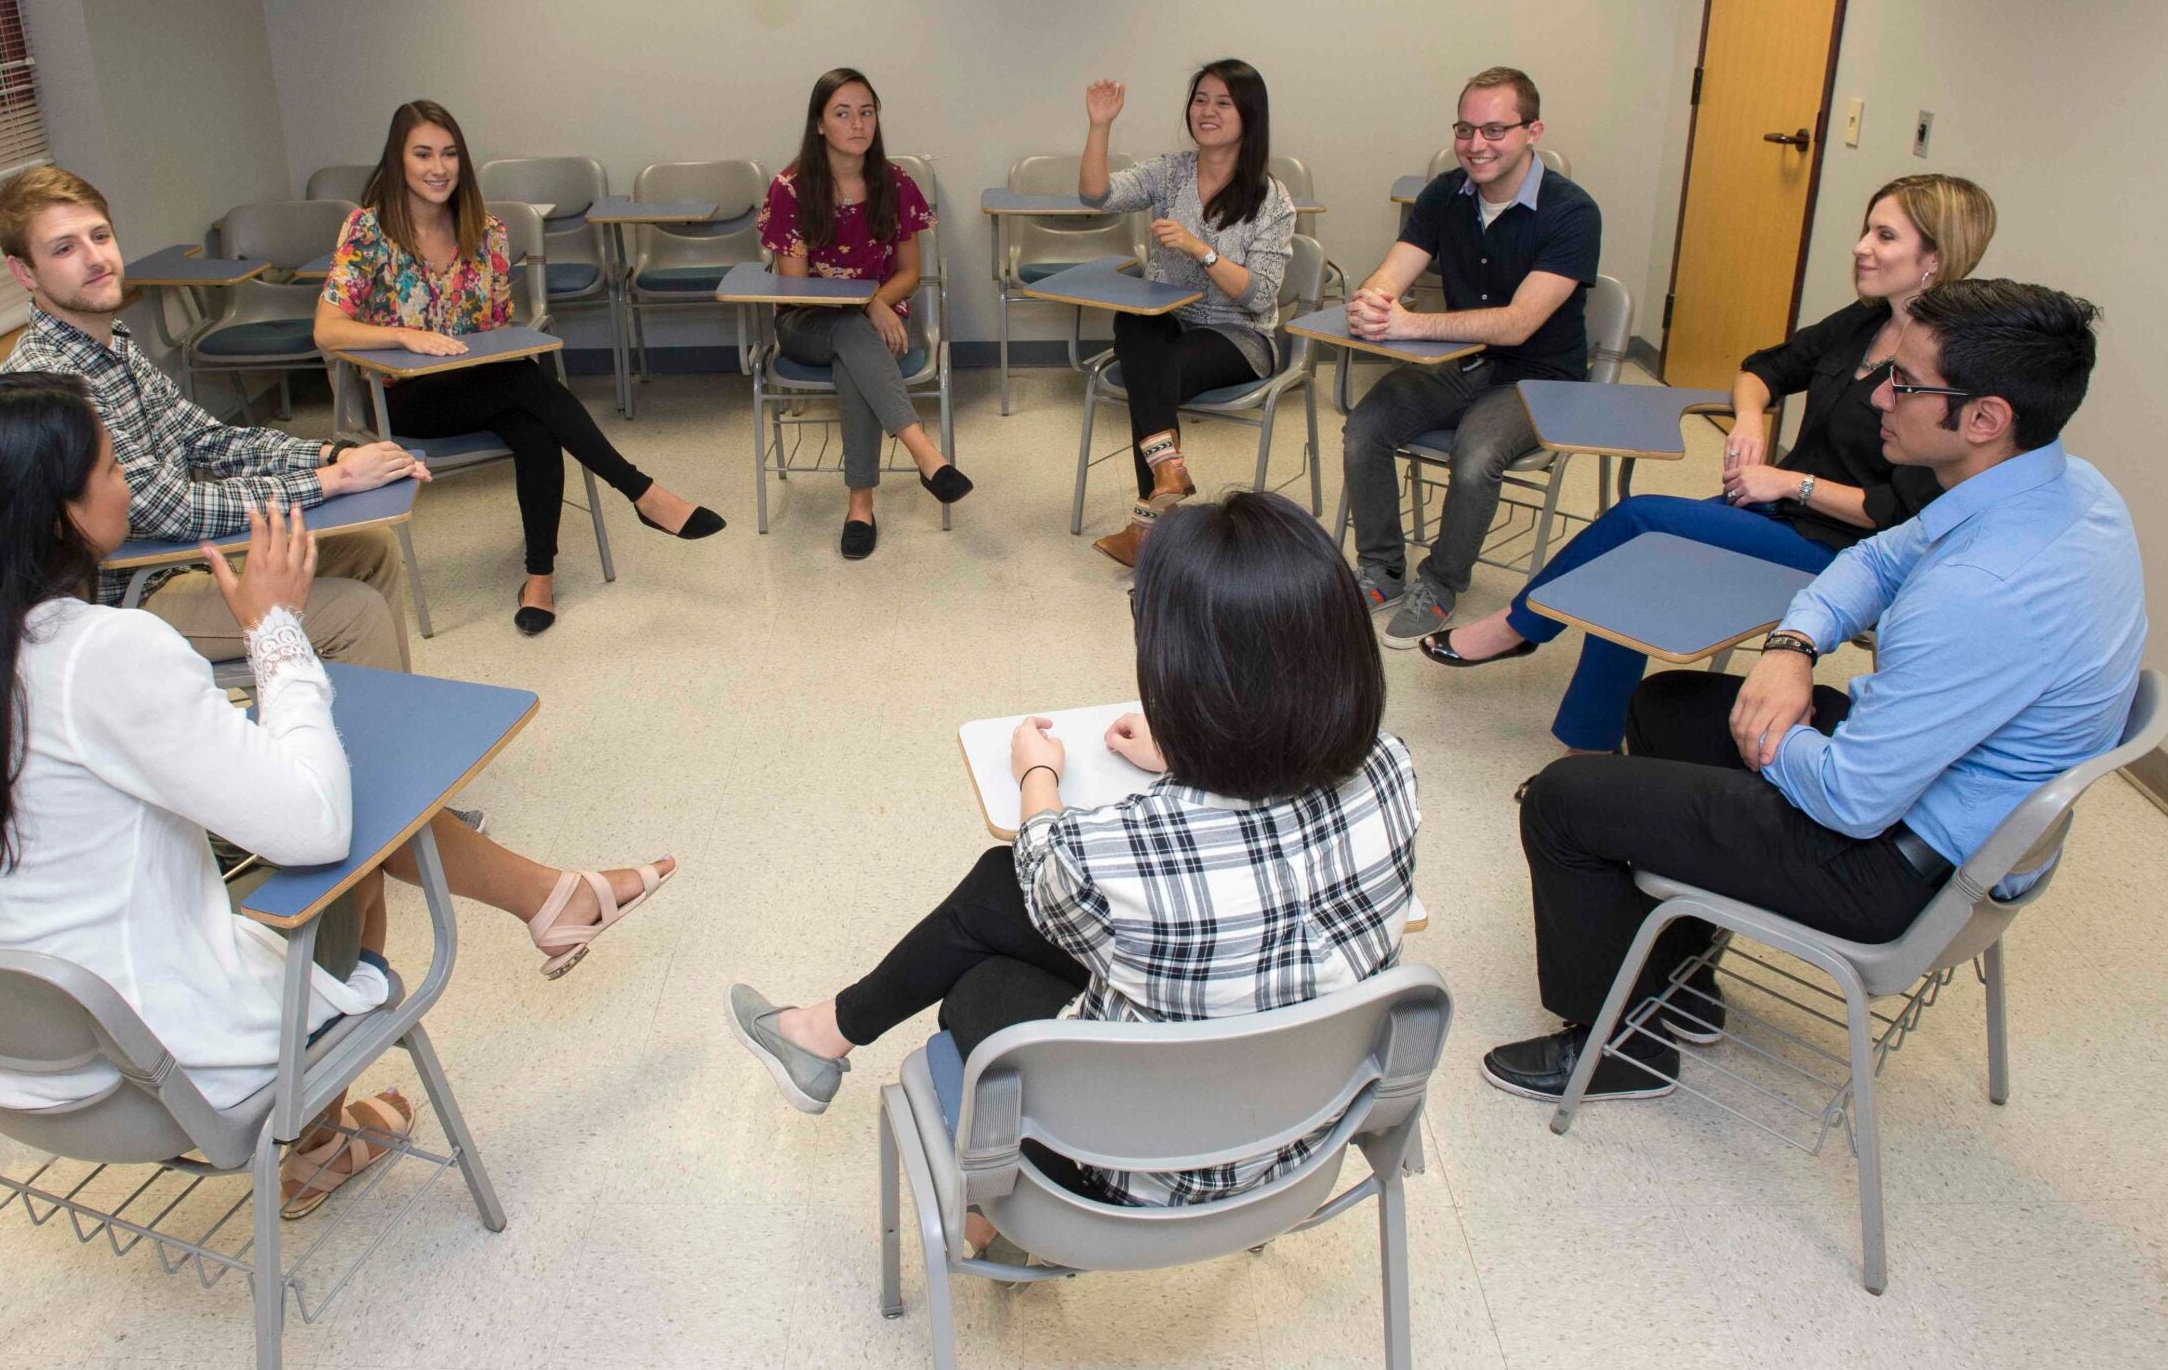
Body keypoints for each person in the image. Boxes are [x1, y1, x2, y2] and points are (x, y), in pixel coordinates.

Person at [0, 376, 678, 1209]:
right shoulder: (102, 652)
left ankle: (550, 899)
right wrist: (274, 632)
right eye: (112, 471)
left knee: (304, 773)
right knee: (355, 815)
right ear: (56, 515)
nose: (126, 486)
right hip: (146, 1074)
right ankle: (319, 1142)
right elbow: (317, 828)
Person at [1484, 281, 2143, 1103]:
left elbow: (1851, 799)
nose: (1879, 396)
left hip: (1901, 867)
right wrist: (1791, 649)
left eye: (1904, 384)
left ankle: (1614, 1052)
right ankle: (1674, 978)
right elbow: (1874, 561)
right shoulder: (2069, 491)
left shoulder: (1984, 589)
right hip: (1945, 797)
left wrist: (1772, 735)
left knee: (1563, 799)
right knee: (1666, 707)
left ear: (1985, 418)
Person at [726, 492, 1417, 1240]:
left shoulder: (1122, 853)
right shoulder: (1392, 770)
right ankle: (824, 1033)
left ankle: (980, 1205)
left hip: (1134, 1173)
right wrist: (1197, 748)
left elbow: (1042, 861)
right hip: (1308, 1142)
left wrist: (1037, 773)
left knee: (980, 974)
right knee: (997, 892)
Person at [1423, 174, 1998, 757]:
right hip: (1775, 513)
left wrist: (1788, 481)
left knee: (1639, 521)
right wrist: (1750, 419)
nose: (1861, 247)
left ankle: (1519, 627)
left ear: (1935, 257)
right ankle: (1588, 754)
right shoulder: (1866, 322)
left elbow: (1900, 513)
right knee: (1631, 568)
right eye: (1865, 230)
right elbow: (1762, 369)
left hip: (1848, 553)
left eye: (1884, 236)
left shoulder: (1951, 365)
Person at [314, 100, 723, 633]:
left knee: (535, 423)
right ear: (397, 160)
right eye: (422, 154)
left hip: (486, 385)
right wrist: (404, 335)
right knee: (529, 385)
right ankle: (642, 493)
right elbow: (327, 329)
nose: (438, 168)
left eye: (449, 154)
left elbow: (500, 328)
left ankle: (540, 578)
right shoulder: (367, 230)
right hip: (407, 399)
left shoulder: (485, 230)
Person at [0, 164, 426, 671]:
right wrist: (331, 480)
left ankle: (341, 730)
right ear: (24, 273)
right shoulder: (46, 381)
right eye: (64, 249)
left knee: (368, 550)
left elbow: (209, 441)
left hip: (177, 558)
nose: (95, 259)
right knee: (351, 615)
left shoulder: (113, 343)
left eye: (100, 236)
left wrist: (332, 453)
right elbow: (165, 509)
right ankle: (339, 746)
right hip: (119, 596)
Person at [1341, 66, 1601, 642]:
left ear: (1533, 131)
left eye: (1494, 130)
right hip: (1461, 363)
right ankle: (1380, 569)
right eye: (1465, 129)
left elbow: (1517, 324)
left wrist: (1408, 322)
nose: (1475, 145)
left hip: (1540, 379)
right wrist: (1372, 302)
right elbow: (1393, 270)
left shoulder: (1573, 213)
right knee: (1365, 427)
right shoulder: (1442, 192)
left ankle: (1440, 582)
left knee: (1476, 453)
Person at [1075, 61, 1298, 567]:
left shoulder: (1271, 197)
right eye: (1201, 99)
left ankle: (1148, 528)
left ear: (1249, 116)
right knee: (1133, 319)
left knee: (1148, 374)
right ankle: (1166, 473)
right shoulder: (1170, 171)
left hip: (1238, 336)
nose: (1208, 111)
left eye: (1223, 102)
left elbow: (1260, 296)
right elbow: (1097, 195)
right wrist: (1100, 125)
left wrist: (1202, 250)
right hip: (1167, 320)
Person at [760, 68, 972, 559]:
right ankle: (926, 453)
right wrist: (868, 302)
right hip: (805, 323)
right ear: (819, 124)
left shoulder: (895, 183)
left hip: (869, 328)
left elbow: (911, 271)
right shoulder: (790, 188)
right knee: (854, 332)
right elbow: (795, 288)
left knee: (853, 358)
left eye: (867, 112)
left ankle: (860, 506)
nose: (857, 123)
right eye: (842, 113)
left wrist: (873, 304)